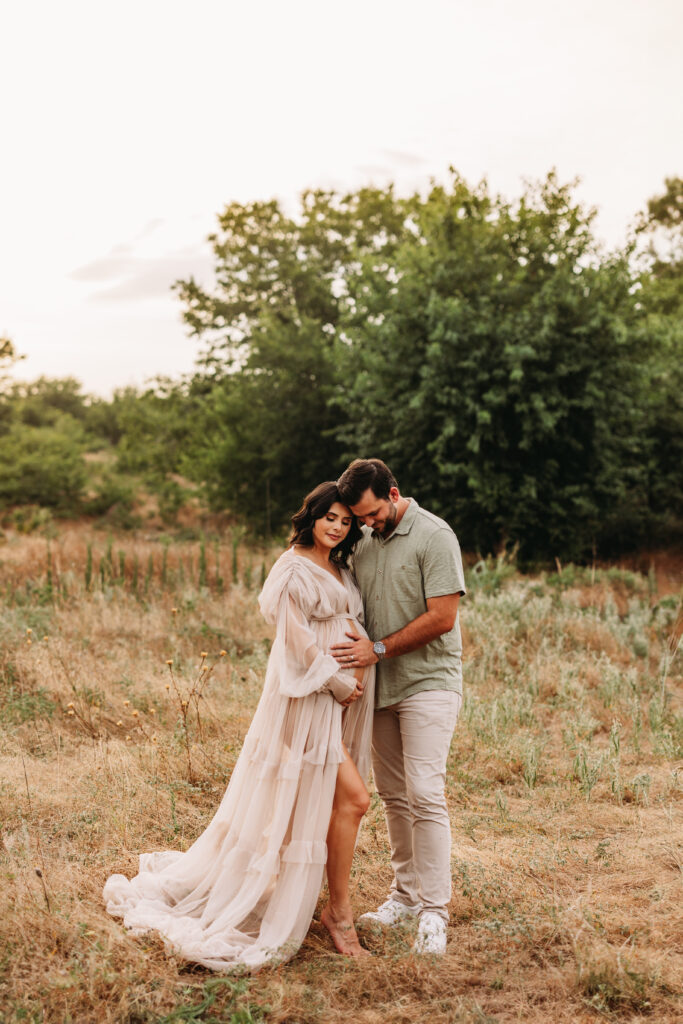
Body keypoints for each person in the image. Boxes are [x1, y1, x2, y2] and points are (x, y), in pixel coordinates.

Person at [103, 482, 375, 970]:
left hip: (334, 702)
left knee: (311, 805)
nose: (337, 526)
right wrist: (336, 682)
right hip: (306, 699)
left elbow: (346, 624)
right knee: (354, 799)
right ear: (311, 516)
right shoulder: (292, 566)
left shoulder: (339, 567)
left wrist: (358, 669)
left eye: (345, 520)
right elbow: (294, 640)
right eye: (329, 517)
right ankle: (338, 912)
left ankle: (306, 898)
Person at [333, 458, 465, 956]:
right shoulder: (362, 541)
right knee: (394, 796)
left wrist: (380, 649)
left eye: (371, 514)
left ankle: (435, 912)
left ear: (393, 492)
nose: (365, 524)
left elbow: (443, 617)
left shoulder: (435, 536)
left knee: (426, 792)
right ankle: (405, 897)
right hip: (378, 689)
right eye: (358, 518)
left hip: (428, 681)